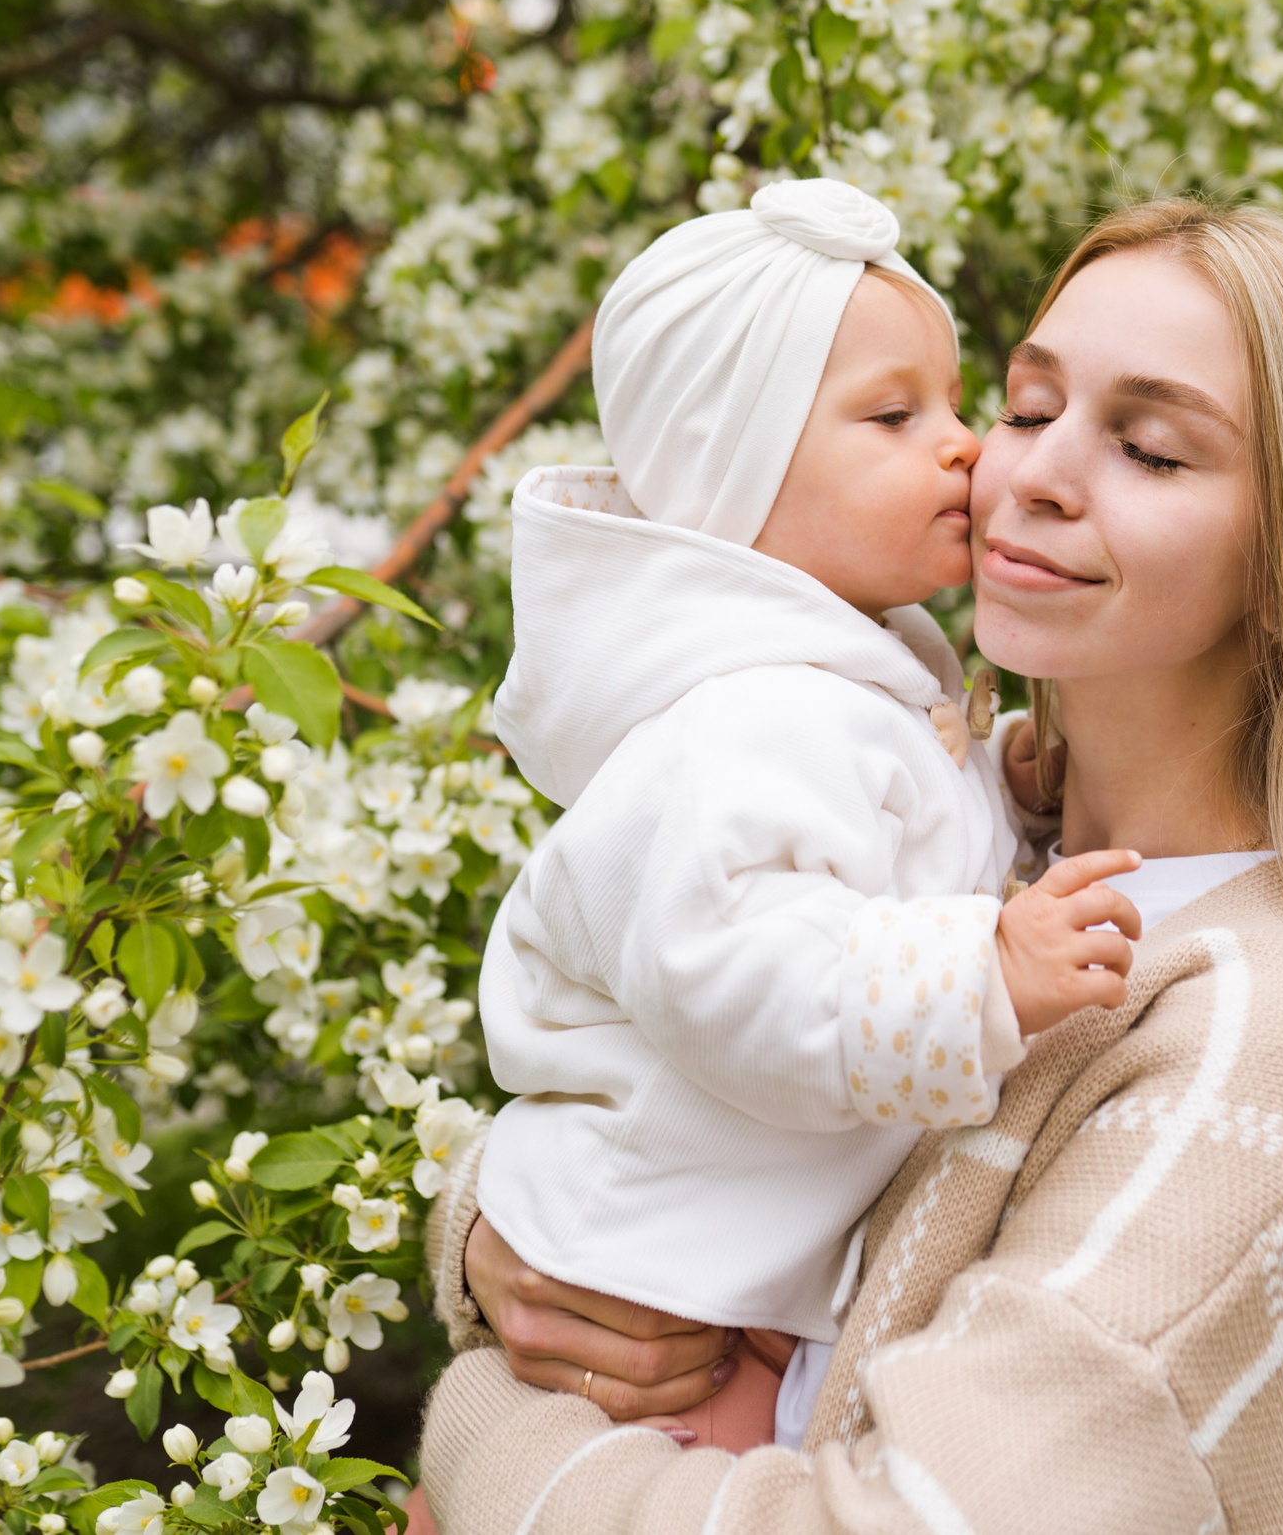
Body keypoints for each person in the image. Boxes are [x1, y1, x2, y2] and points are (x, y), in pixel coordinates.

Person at [421, 198, 1283, 1532]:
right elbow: (687, 1029)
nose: (1019, 468)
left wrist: (488, 1435)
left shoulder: (1277, 1035)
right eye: (1031, 407)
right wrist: (496, 1242)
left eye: (1151, 450)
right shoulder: (942, 829)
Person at [474, 178, 1142, 1450]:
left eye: (955, 403)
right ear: (737, 478)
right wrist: (979, 972)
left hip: (722, 1262)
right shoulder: (744, 719)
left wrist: (995, 781)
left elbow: (873, 840)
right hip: (656, 1299)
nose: (962, 444)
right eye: (893, 415)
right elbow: (736, 968)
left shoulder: (843, 672)